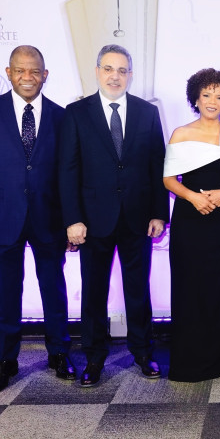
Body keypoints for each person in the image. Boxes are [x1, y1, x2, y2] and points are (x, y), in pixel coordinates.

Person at [0, 45, 73, 394]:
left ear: (45, 74)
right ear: (8, 73)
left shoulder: (61, 116)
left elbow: (68, 175)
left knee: (53, 289)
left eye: (35, 71)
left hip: (49, 218)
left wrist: (72, 220)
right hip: (0, 218)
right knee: (6, 293)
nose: (28, 77)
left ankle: (59, 353)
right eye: (20, 70)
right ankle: (6, 360)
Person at [58, 44, 168, 387]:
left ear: (130, 75)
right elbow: (68, 170)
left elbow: (157, 166)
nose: (115, 76)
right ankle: (93, 358)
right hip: (92, 221)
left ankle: (142, 352)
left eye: (122, 70)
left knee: (138, 290)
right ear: (97, 71)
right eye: (108, 69)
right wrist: (72, 219)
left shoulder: (147, 113)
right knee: (93, 291)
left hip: (138, 217)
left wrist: (159, 213)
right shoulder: (76, 113)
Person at [163, 68, 220, 382]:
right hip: (189, 219)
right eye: (207, 95)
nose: (213, 101)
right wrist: (193, 198)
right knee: (190, 286)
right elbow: (168, 180)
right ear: (196, 98)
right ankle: (190, 361)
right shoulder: (180, 133)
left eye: (219, 96)